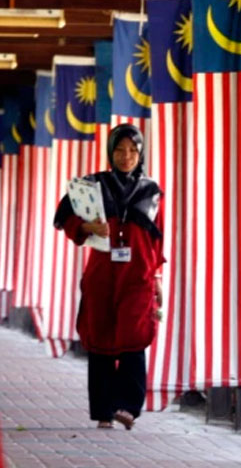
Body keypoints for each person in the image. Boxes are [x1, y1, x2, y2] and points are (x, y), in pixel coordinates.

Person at [53, 123, 164, 430]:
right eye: (119, 149)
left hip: (138, 276)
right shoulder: (92, 185)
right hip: (102, 276)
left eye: (132, 150)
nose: (126, 156)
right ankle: (103, 410)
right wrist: (88, 227)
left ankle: (128, 406)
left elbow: (159, 238)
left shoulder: (151, 191)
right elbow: (64, 218)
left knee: (134, 337)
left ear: (140, 153)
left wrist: (157, 278)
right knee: (100, 340)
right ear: (110, 152)